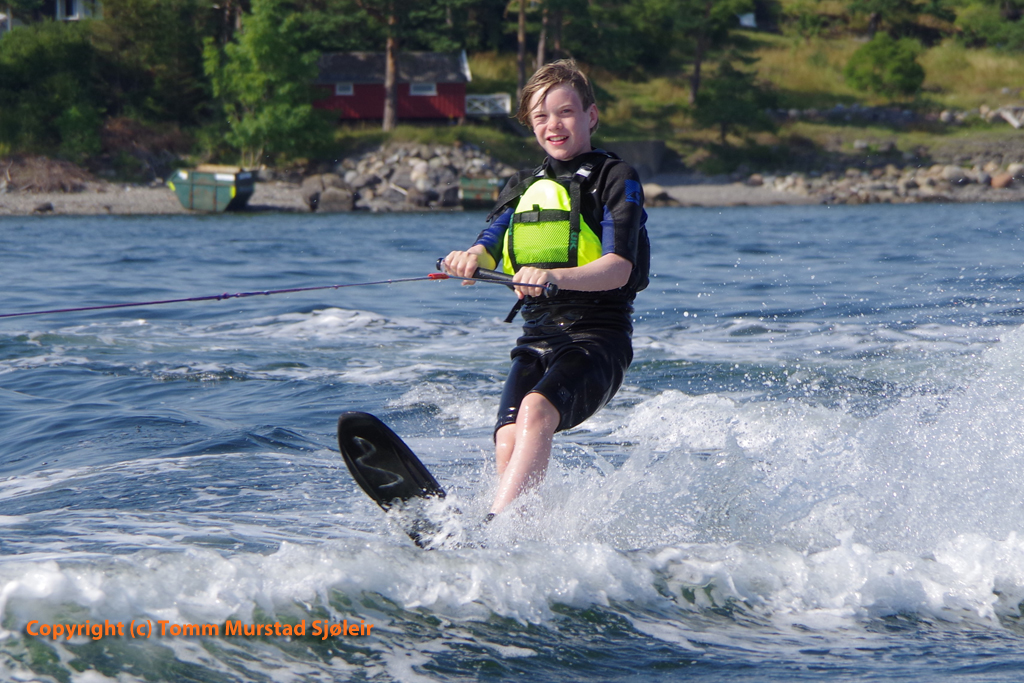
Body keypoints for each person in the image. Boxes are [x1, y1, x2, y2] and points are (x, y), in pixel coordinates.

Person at [443, 59, 649, 518]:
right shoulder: (523, 187)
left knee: (536, 410)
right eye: (541, 116)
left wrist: (555, 276)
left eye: (565, 112)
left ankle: (494, 526)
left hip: (597, 339)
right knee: (507, 435)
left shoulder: (615, 178)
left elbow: (619, 268)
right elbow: (487, 248)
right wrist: (468, 259)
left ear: (590, 116)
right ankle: (520, 529)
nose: (553, 125)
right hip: (537, 338)